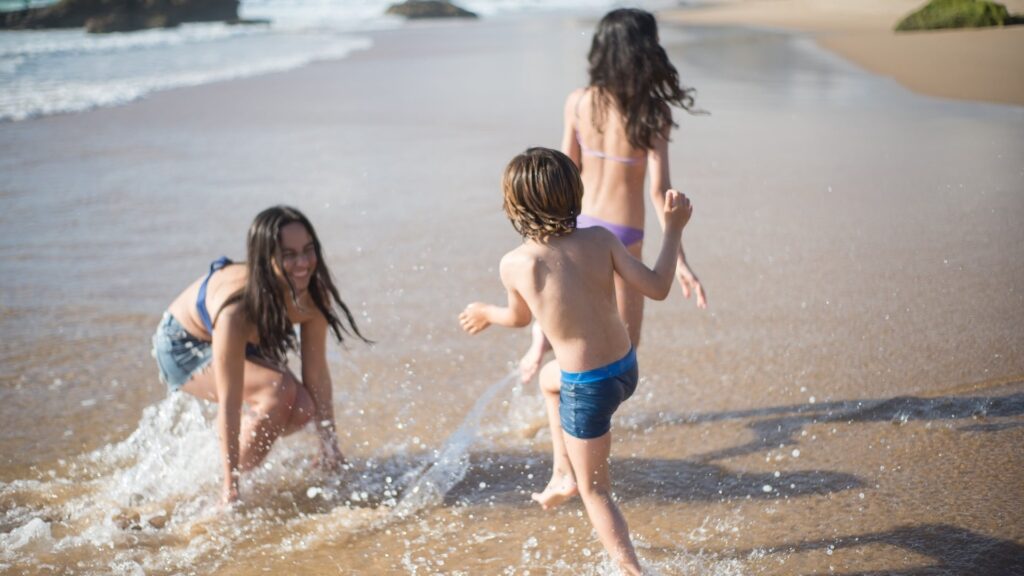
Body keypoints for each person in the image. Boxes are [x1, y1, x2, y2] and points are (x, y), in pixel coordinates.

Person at [459, 148, 691, 575]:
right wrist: (673, 230)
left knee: (597, 492)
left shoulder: (517, 264)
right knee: (550, 383)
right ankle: (562, 472)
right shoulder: (601, 238)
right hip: (625, 368)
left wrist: (485, 313)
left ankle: (630, 571)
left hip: (588, 389)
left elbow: (518, 318)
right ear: (575, 192)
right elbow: (657, 287)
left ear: (513, 206)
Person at [518, 7, 707, 384]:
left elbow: (564, 172)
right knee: (624, 349)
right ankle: (585, 409)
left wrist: (541, 235)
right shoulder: (653, 113)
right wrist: (679, 259)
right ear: (644, 53)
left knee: (573, 324)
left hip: (576, 225)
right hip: (623, 236)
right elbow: (659, 191)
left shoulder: (578, 101)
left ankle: (543, 340)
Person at [151, 205, 369, 506]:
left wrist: (329, 444)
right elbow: (229, 402)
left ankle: (238, 456)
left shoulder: (313, 295)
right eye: (288, 254)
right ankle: (219, 487)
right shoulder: (235, 313)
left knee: (302, 408)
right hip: (184, 343)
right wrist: (231, 487)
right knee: (276, 392)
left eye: (308, 250)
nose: (303, 263)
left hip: (252, 331)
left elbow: (316, 373)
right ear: (265, 260)